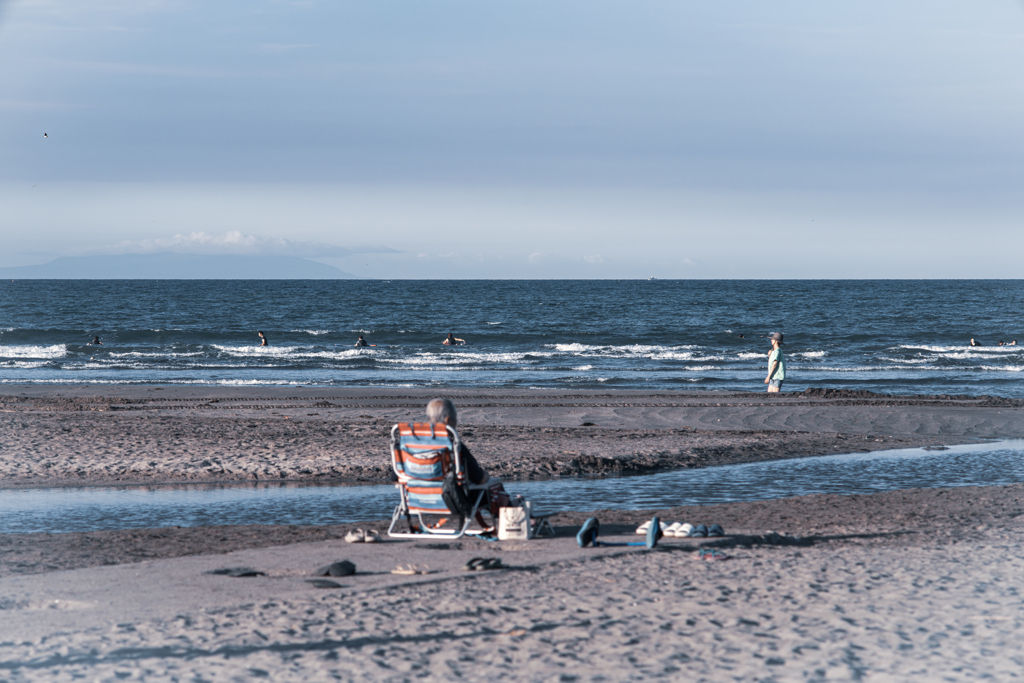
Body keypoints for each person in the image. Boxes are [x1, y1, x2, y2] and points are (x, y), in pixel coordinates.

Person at [425, 398, 509, 531]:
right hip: (453, 499)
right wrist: (486, 477)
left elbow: (396, 477)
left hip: (420, 499)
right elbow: (479, 478)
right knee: (495, 485)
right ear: (448, 421)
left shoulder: (411, 444)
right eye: (455, 419)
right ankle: (511, 524)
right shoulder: (454, 445)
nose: (456, 422)